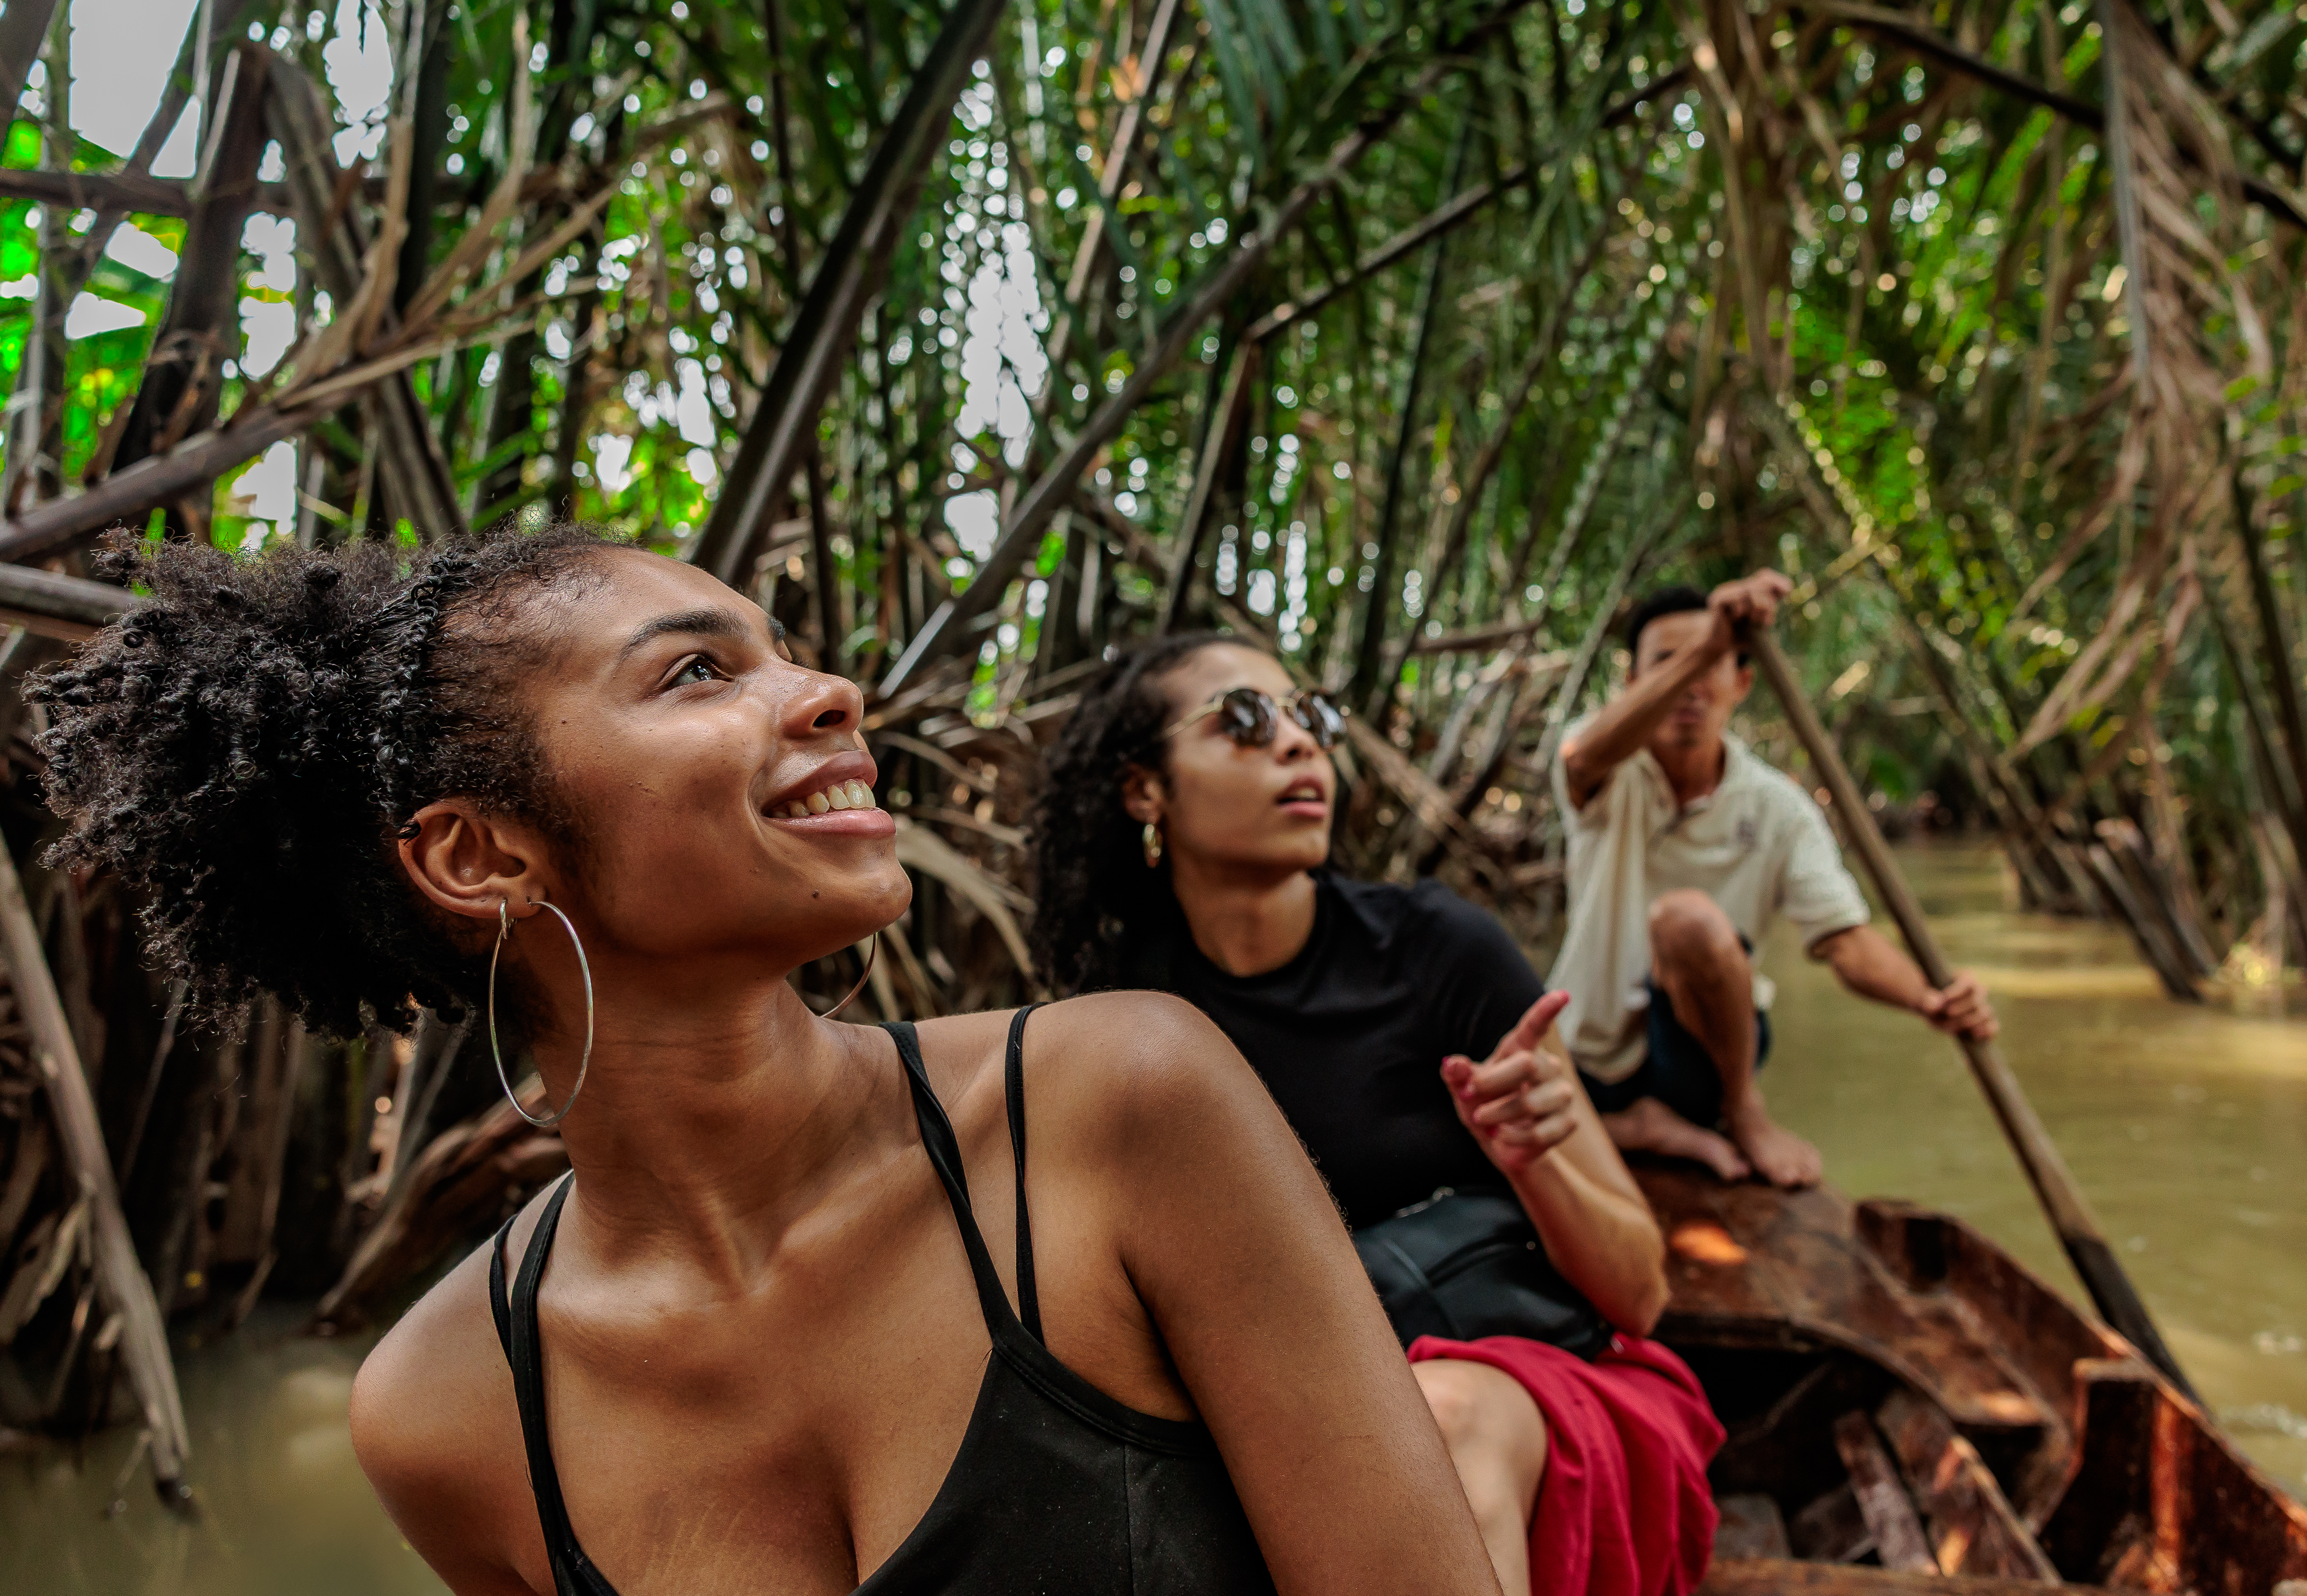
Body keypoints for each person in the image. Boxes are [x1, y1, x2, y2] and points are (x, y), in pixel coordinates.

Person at [34, 529, 1509, 1596]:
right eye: (693, 675)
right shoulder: (448, 1410)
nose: (827, 694)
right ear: (480, 854)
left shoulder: (1119, 1104)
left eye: (784, 653)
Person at [1031, 634, 1723, 1596]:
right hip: (1281, 1414)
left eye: (1310, 719)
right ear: (1146, 791)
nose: (1298, 746)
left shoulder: (1439, 947)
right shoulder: (1115, 1017)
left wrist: (1534, 1159)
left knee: (1431, 1429)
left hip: (1523, 1377)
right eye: (1244, 719)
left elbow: (1640, 1292)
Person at [1550, 571, 1998, 1189]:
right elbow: (1583, 761)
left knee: (1687, 921)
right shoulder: (1601, 760)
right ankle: (1630, 1124)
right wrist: (1706, 646)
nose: (1689, 684)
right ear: (1631, 685)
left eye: (1709, 664)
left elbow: (1844, 939)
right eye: (1666, 664)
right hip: (1588, 1057)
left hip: (1696, 1061)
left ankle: (1741, 1111)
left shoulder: (1776, 808)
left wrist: (1929, 999)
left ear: (1741, 683)